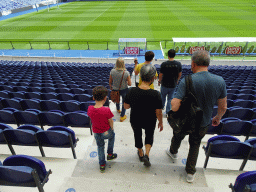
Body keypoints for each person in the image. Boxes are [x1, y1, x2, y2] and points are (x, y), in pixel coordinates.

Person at [166, 50, 227, 183]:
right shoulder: (220, 81)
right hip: (203, 122)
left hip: (184, 121)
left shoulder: (187, 80)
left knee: (178, 136)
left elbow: (175, 106)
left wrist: (173, 106)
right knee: (195, 144)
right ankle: (190, 173)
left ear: (193, 64)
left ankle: (173, 152)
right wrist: (218, 117)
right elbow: (223, 107)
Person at [124, 64, 163, 167]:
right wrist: (161, 122)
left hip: (135, 118)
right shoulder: (156, 94)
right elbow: (159, 111)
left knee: (137, 134)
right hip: (150, 120)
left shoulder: (131, 91)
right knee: (149, 135)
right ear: (152, 79)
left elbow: (126, 107)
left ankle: (140, 153)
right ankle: (147, 154)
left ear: (140, 76)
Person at [87, 86, 117, 173]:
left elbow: (91, 117)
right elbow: (110, 121)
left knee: (100, 147)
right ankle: (110, 154)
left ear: (93, 98)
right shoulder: (106, 110)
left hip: (96, 132)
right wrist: (112, 128)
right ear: (105, 98)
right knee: (112, 136)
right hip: (106, 132)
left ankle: (102, 165)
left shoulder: (90, 109)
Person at [158, 49, 182, 116]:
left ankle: (161, 108)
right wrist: (177, 81)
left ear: (168, 55)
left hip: (164, 84)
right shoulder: (178, 64)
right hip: (173, 84)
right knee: (170, 99)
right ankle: (168, 112)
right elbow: (180, 74)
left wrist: (159, 81)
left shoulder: (164, 64)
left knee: (162, 97)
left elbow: (160, 74)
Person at [109, 58, 132, 122]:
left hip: (115, 89)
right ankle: (122, 116)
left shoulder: (112, 71)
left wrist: (111, 86)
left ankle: (118, 109)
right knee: (124, 102)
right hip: (124, 89)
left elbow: (110, 81)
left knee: (117, 99)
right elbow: (130, 84)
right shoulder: (126, 73)